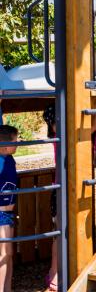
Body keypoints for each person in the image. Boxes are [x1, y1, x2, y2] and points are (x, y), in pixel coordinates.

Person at [0, 125, 18, 292]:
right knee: (4, 254)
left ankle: (8, 288)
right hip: (1, 213)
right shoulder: (1, 162)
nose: (18, 144)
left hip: (8, 213)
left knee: (9, 253)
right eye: (15, 141)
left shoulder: (9, 159)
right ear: (5, 146)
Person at [43, 106, 58, 291]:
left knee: (62, 231)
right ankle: (54, 273)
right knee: (58, 232)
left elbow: (94, 125)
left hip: (62, 186)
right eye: (56, 122)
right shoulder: (57, 138)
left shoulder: (63, 136)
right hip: (58, 189)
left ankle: (56, 272)